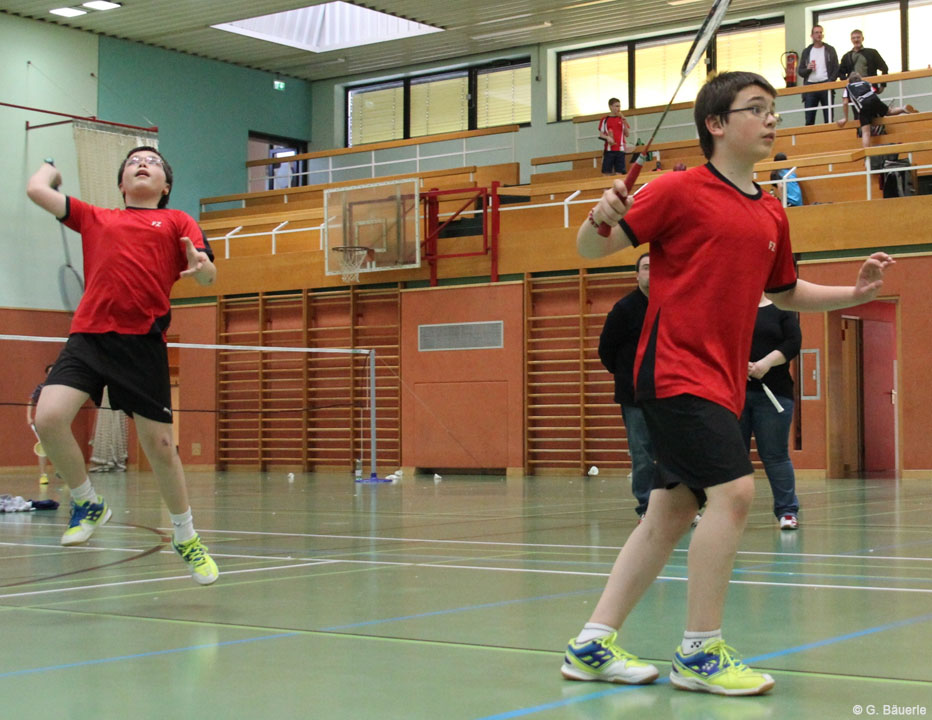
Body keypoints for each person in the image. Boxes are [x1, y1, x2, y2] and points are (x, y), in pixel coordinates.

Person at [562, 70, 894, 697]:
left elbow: (785, 291)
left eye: (774, 109)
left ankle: (591, 644)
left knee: (670, 512)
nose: (771, 119)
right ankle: (699, 652)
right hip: (674, 369)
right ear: (716, 124)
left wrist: (854, 293)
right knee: (736, 493)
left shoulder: (771, 208)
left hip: (720, 379)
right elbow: (589, 248)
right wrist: (600, 216)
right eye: (756, 108)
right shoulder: (678, 190)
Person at [26, 147, 220, 586]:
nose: (142, 163)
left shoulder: (177, 222)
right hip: (89, 336)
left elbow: (208, 275)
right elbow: (36, 190)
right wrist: (49, 167)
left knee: (161, 448)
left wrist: (202, 265)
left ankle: (186, 536)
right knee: (49, 418)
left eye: (152, 161)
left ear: (165, 186)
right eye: (133, 161)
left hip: (142, 343)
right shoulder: (96, 217)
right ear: (121, 183)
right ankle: (87, 501)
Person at [598, 253, 656, 519]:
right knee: (642, 453)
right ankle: (647, 506)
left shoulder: (672, 305)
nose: (652, 272)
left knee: (675, 452)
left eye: (656, 267)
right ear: (637, 275)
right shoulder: (624, 309)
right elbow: (606, 350)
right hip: (635, 396)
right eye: (646, 267)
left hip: (671, 392)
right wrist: (626, 375)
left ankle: (679, 508)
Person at [740, 294, 802, 530]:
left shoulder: (782, 309)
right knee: (733, 457)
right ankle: (727, 511)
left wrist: (765, 363)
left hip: (774, 394)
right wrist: (737, 364)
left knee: (775, 455)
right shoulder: (729, 309)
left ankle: (787, 511)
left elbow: (793, 342)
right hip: (733, 394)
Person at [836, 73, 916, 150]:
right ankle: (903, 108)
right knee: (889, 111)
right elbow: (874, 91)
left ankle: (867, 153)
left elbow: (845, 102)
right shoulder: (866, 83)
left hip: (863, 105)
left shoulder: (848, 87)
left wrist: (845, 118)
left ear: (850, 81)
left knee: (866, 132)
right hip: (874, 100)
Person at [798, 25, 839, 125]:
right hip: (810, 86)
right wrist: (808, 69)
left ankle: (829, 135)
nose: (819, 34)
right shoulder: (807, 51)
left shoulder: (830, 49)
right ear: (812, 35)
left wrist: (831, 81)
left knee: (829, 118)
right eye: (816, 32)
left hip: (826, 85)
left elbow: (836, 68)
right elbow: (800, 71)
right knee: (809, 119)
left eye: (821, 32)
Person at [26, 364, 55, 485]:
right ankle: (43, 475)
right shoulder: (41, 388)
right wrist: (29, 417)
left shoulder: (62, 389)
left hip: (57, 422)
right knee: (42, 447)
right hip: (41, 421)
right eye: (49, 372)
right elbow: (31, 402)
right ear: (46, 374)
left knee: (59, 447)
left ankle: (62, 471)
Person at [599, 98, 631, 175]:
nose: (618, 108)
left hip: (620, 150)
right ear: (610, 107)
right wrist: (608, 137)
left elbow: (627, 134)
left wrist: (623, 120)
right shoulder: (604, 119)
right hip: (609, 150)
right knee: (606, 172)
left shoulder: (622, 119)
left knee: (619, 173)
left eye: (619, 106)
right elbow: (601, 134)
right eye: (616, 106)